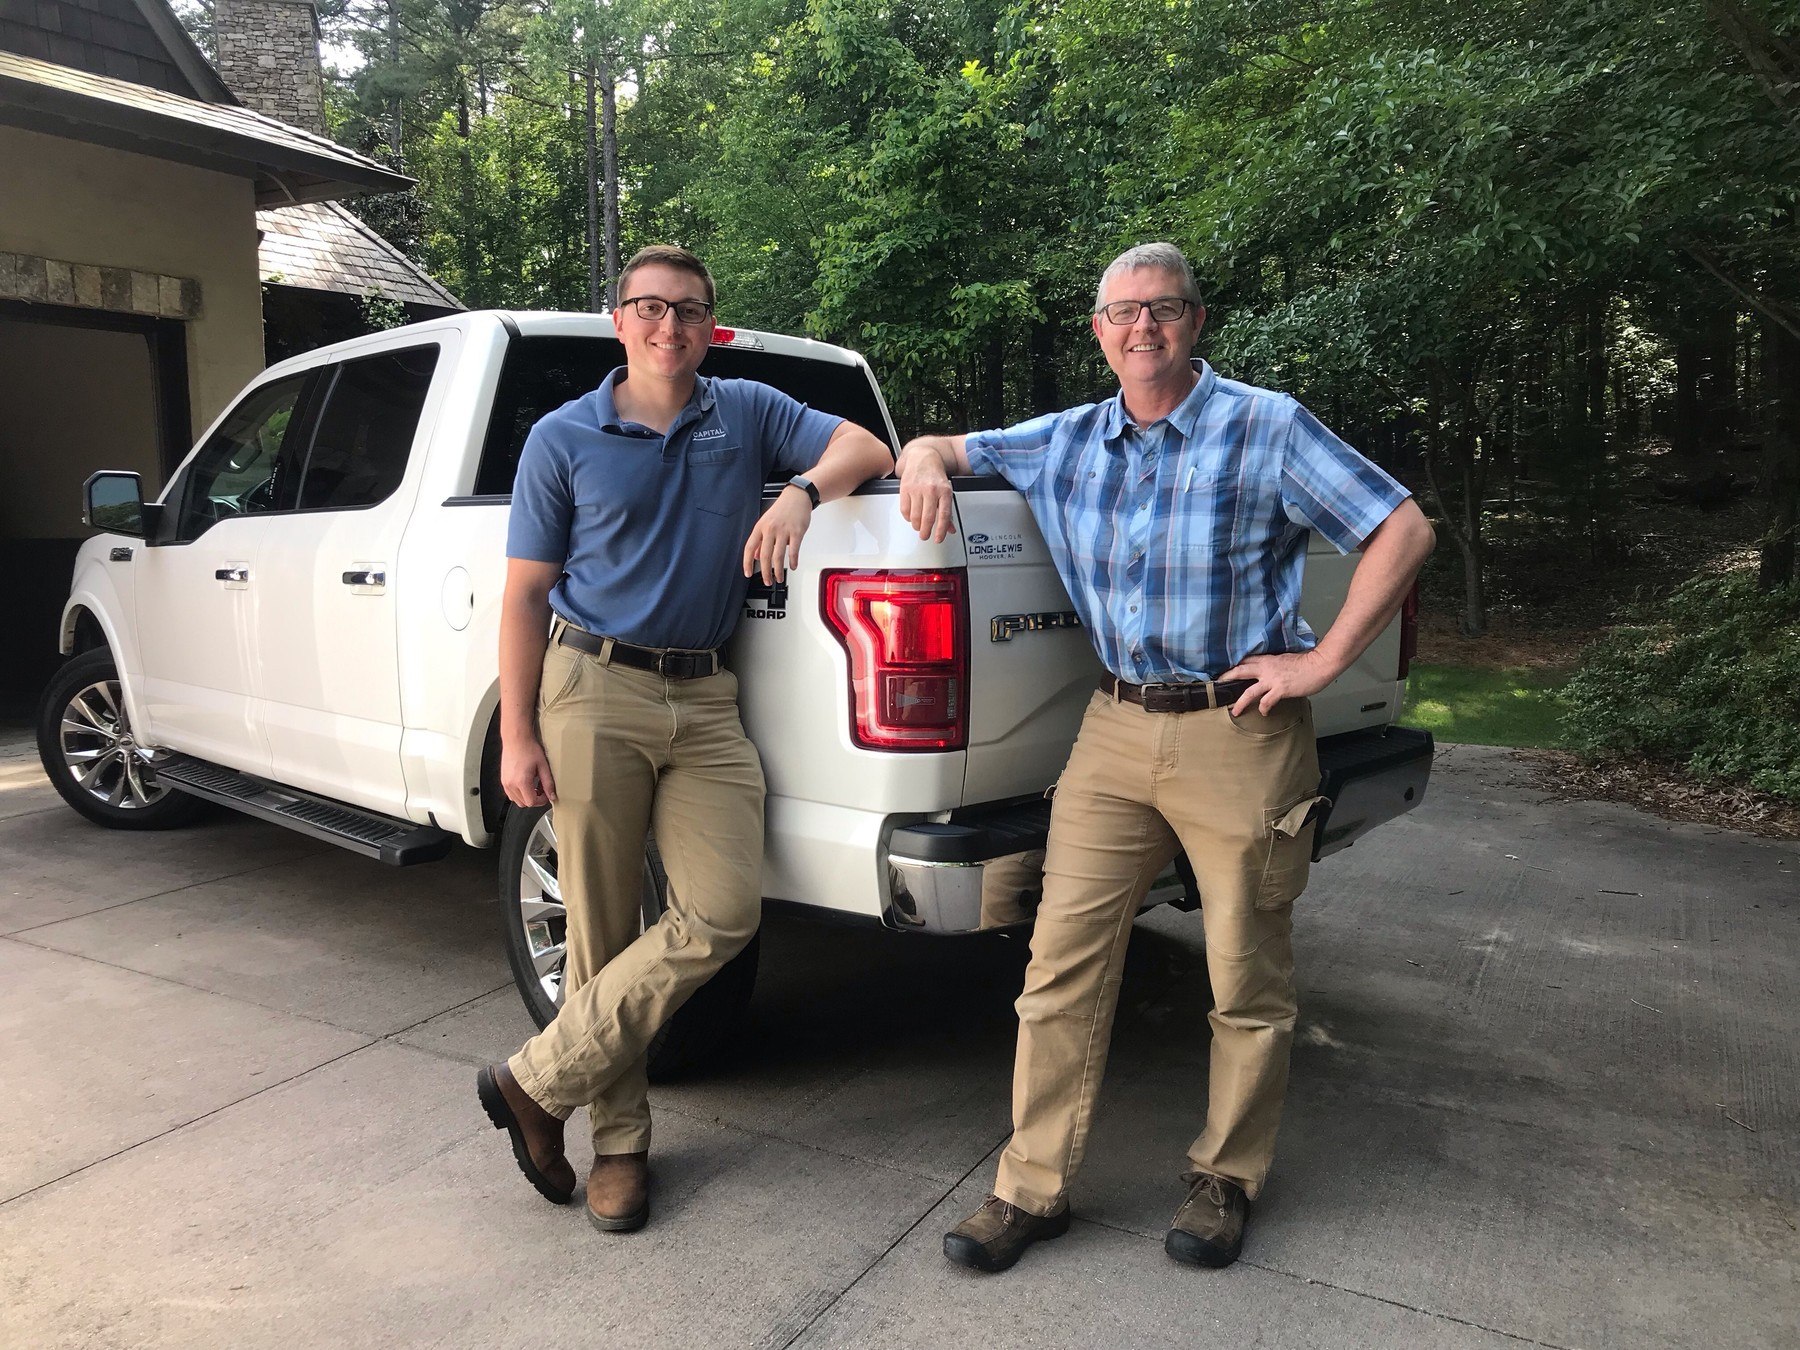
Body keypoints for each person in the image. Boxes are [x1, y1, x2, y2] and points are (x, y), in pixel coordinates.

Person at [896, 242, 1435, 1273]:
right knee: (1060, 966)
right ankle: (1031, 1188)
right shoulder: (1063, 440)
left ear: (1196, 321)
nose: (1143, 327)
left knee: (1244, 969)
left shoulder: (1265, 425)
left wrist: (1322, 661)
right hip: (1111, 731)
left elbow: (1401, 529)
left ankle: (1224, 1180)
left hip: (1239, 730)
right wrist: (922, 457)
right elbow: (943, 446)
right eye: (1123, 312)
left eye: (1165, 309)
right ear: (1098, 330)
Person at [477, 245, 893, 1234]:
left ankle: (536, 1082)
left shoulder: (743, 411)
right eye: (650, 308)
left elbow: (866, 449)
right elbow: (526, 595)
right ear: (619, 319)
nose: (670, 327)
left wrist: (797, 493)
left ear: (714, 327)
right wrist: (518, 734)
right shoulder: (562, 438)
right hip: (593, 686)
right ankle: (619, 1147)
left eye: (690, 311)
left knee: (722, 909)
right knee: (601, 922)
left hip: (704, 697)